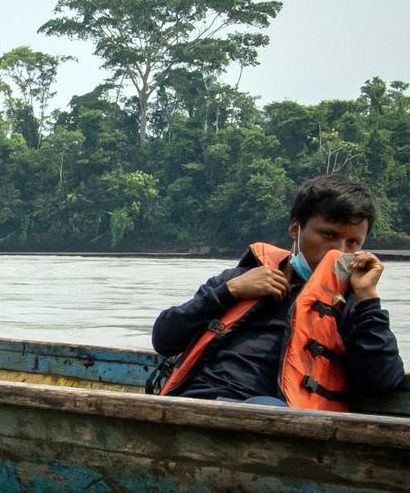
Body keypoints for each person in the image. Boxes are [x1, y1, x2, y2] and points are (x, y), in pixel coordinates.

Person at [152, 174, 404, 408]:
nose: (340, 252)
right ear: (296, 229)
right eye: (329, 235)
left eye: (353, 243)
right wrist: (229, 292)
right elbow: (164, 338)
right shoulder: (239, 279)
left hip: (273, 421)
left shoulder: (351, 304)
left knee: (263, 409)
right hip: (195, 402)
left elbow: (381, 383)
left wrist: (368, 298)